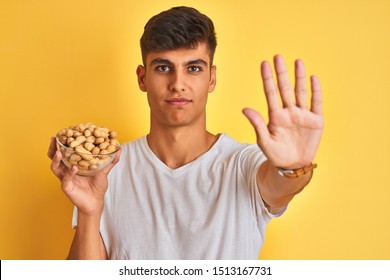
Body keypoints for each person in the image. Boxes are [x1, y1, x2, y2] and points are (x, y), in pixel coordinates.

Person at [48, 6, 323, 259]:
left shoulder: (242, 164)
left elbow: (280, 186)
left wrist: (293, 167)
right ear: (143, 78)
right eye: (163, 68)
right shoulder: (109, 170)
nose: (177, 84)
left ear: (211, 78)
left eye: (193, 68)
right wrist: (89, 211)